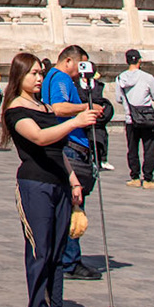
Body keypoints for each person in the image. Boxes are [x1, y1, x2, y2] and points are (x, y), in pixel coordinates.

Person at [1, 51, 98, 307]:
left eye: (41, 73)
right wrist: (76, 121)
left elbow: (57, 151)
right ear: (20, 76)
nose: (40, 78)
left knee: (57, 250)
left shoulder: (43, 107)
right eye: (33, 74)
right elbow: (41, 140)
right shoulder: (15, 110)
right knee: (40, 249)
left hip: (58, 182)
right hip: (35, 184)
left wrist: (73, 181)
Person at [41, 46, 100, 279]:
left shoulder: (53, 78)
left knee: (69, 204)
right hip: (71, 145)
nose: (80, 71)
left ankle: (66, 257)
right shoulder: (62, 78)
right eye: (80, 64)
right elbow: (59, 107)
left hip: (67, 143)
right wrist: (87, 108)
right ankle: (70, 260)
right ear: (68, 61)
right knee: (74, 203)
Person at [115, 49, 154, 188]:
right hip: (147, 118)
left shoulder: (120, 78)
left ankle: (134, 177)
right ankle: (148, 178)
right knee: (150, 148)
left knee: (132, 148)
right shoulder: (147, 77)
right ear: (139, 60)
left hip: (130, 118)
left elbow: (118, 98)